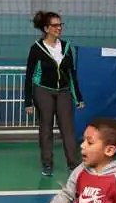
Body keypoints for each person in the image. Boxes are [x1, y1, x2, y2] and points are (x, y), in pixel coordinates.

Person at [24, 11, 84, 177]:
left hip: (64, 92)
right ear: (46, 28)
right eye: (55, 25)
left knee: (67, 128)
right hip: (42, 90)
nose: (59, 28)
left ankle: (73, 164)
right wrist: (28, 101)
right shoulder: (36, 49)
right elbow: (29, 75)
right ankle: (47, 163)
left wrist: (77, 96)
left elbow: (72, 73)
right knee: (46, 127)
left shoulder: (66, 47)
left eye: (60, 25)